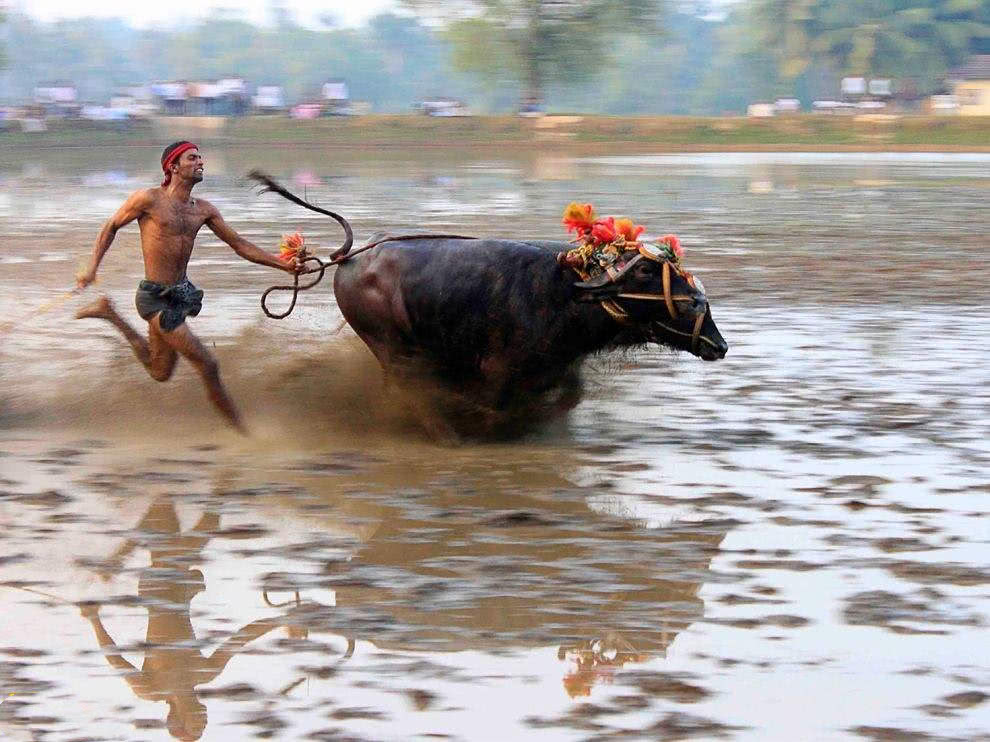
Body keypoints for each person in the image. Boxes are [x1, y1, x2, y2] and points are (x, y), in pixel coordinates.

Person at [75, 140, 303, 433]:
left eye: (200, 158)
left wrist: (284, 264)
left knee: (160, 372)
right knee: (208, 365)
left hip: (179, 296)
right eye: (192, 158)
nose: (200, 162)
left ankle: (110, 313)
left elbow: (239, 245)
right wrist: (92, 267)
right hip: (154, 298)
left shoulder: (204, 210)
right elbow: (111, 226)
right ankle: (244, 434)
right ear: (173, 166)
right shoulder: (148, 199)